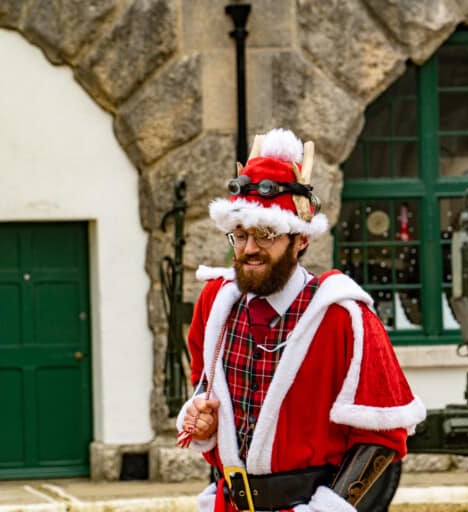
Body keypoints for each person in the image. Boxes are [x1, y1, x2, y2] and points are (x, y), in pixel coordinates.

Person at [176, 128, 426, 512]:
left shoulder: (343, 316)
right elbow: (205, 387)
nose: (250, 249)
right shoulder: (215, 303)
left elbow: (383, 436)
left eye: (266, 234)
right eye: (240, 235)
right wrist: (202, 420)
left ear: (301, 240)